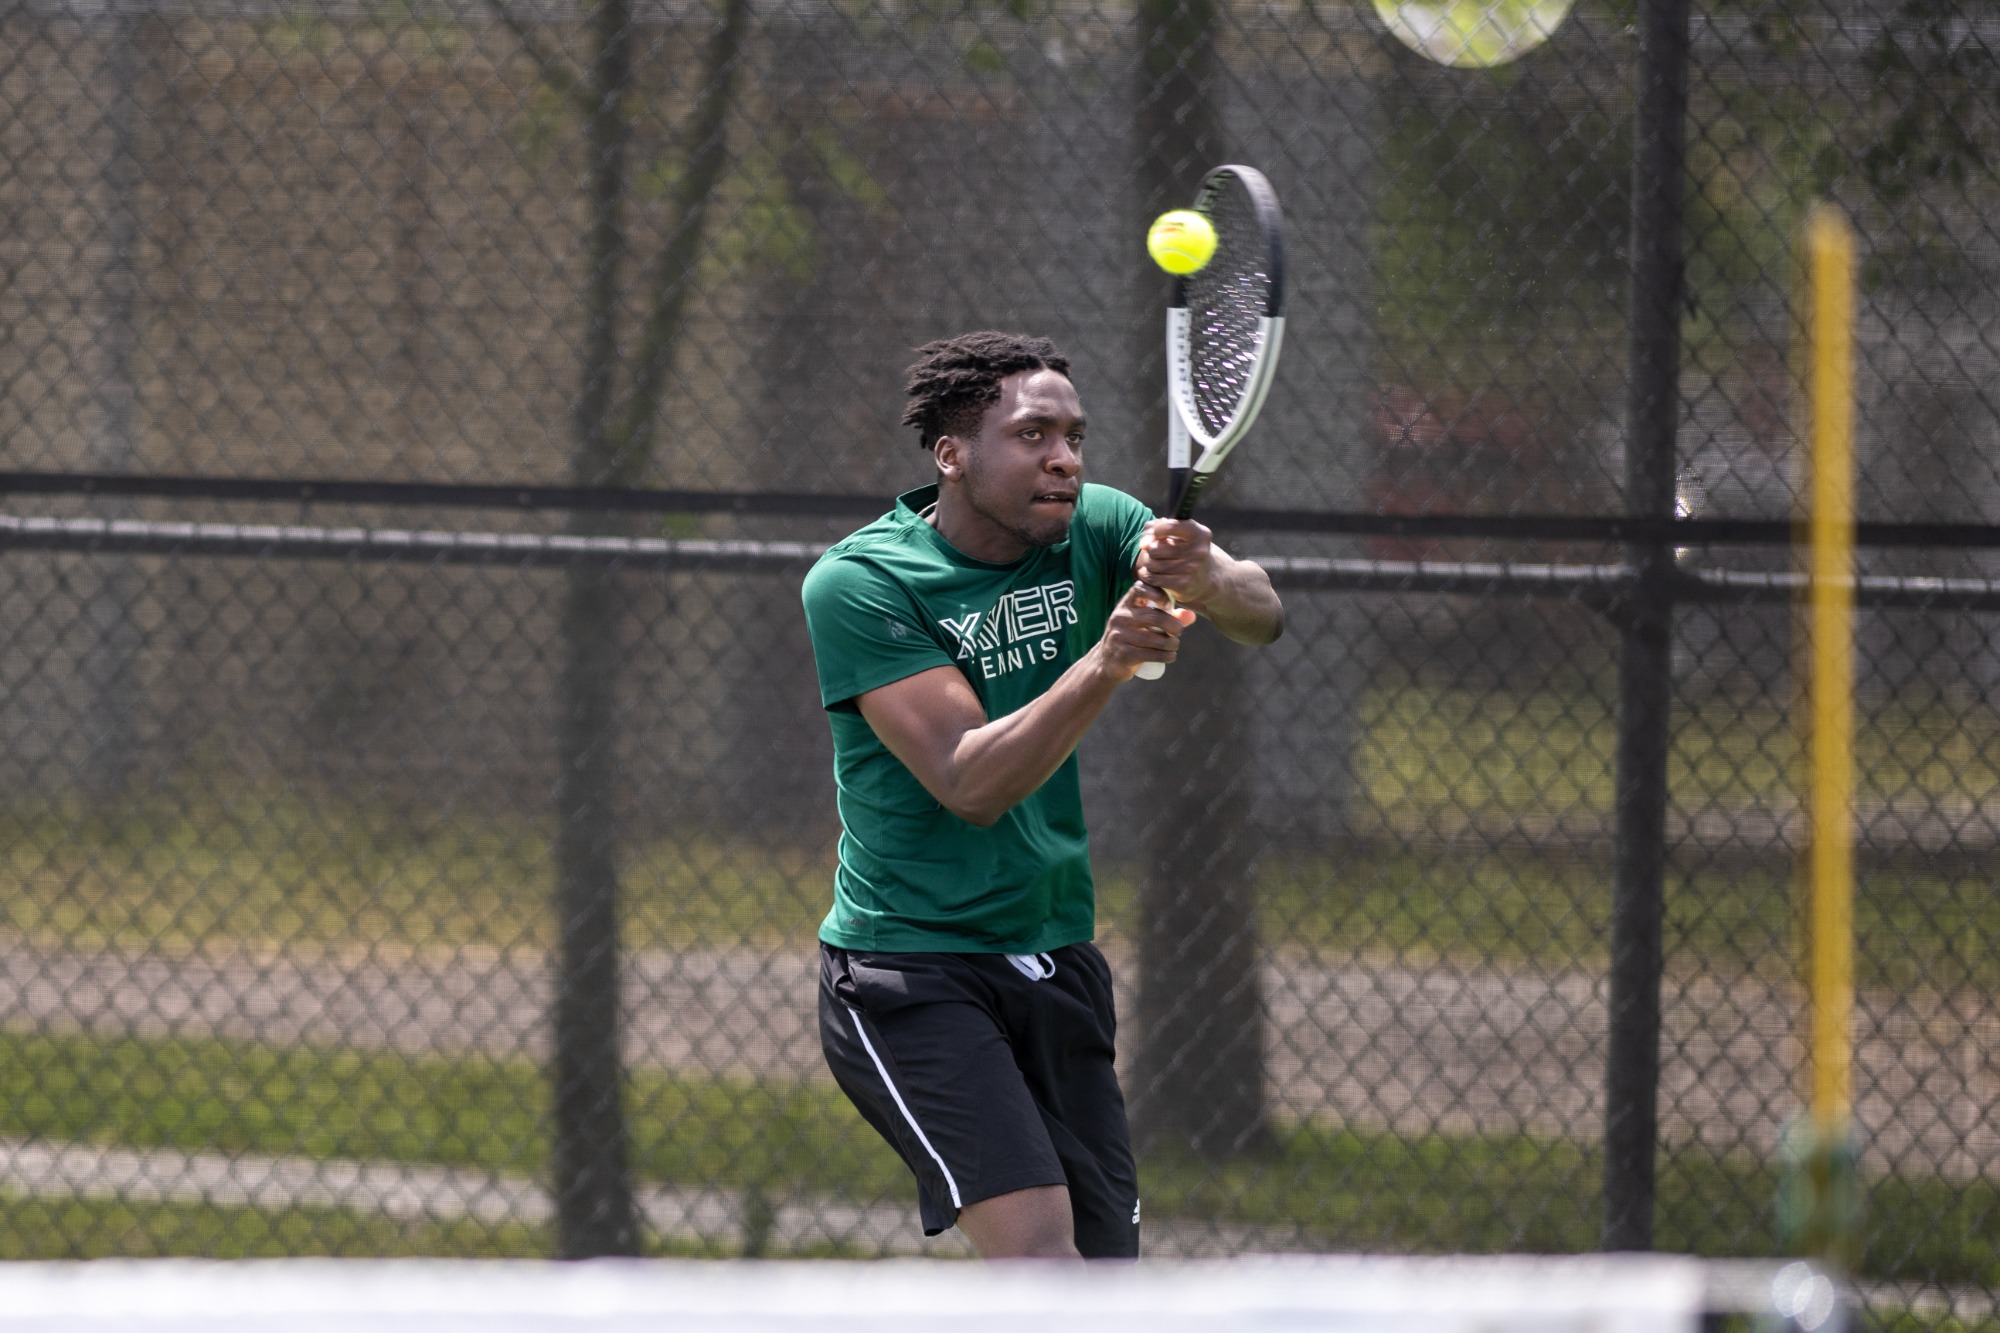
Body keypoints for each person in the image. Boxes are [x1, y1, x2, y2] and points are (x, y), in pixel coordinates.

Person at [799, 330, 1284, 1259]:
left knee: (1103, 1279)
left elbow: (1263, 614)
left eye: (1074, 435)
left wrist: (1208, 576)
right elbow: (968, 780)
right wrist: (1106, 660)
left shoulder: (1096, 522)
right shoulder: (862, 582)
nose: (1063, 457)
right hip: (912, 970)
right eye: (1032, 435)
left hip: (1055, 952)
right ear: (952, 454)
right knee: (1043, 1266)